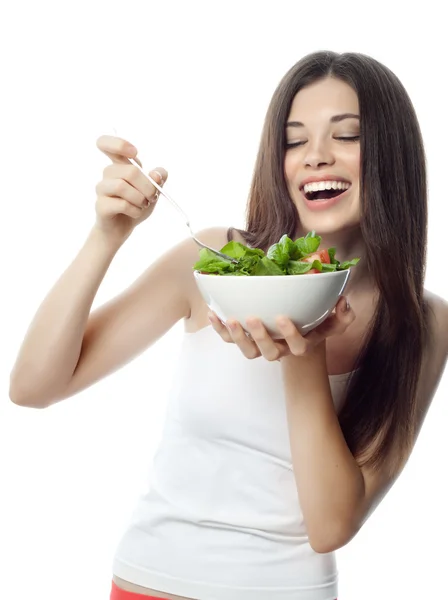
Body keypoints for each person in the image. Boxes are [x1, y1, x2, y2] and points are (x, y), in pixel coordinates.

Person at [9, 50, 448, 600]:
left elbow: (331, 525)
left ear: (393, 155)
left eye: (347, 135)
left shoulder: (424, 321)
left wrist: (302, 351)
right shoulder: (217, 261)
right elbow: (32, 388)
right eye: (293, 140)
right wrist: (107, 236)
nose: (314, 157)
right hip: (150, 581)